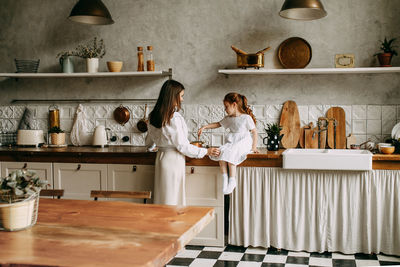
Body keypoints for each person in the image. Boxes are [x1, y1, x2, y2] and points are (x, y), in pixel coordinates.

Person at [145, 79, 220, 206]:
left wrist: (156, 145)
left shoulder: (153, 116)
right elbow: (182, 146)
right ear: (173, 96)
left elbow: (148, 142)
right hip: (173, 160)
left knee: (163, 198)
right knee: (173, 199)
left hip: (161, 158)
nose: (183, 99)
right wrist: (206, 151)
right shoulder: (174, 117)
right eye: (181, 96)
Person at [198, 92, 258, 195]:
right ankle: (225, 178)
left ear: (234, 105)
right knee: (222, 153)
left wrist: (254, 147)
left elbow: (254, 132)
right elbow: (218, 124)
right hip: (233, 141)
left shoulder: (246, 118)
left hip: (243, 141)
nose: (225, 109)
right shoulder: (229, 119)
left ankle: (232, 180)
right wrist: (204, 127)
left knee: (231, 156)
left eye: (226, 106)